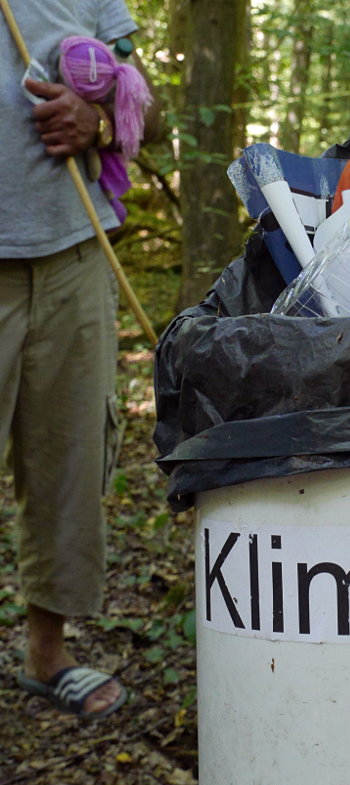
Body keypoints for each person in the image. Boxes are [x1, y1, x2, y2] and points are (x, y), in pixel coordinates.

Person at [0, 0, 161, 719]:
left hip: (73, 257)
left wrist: (100, 122)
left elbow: (155, 114)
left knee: (69, 458)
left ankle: (46, 653)